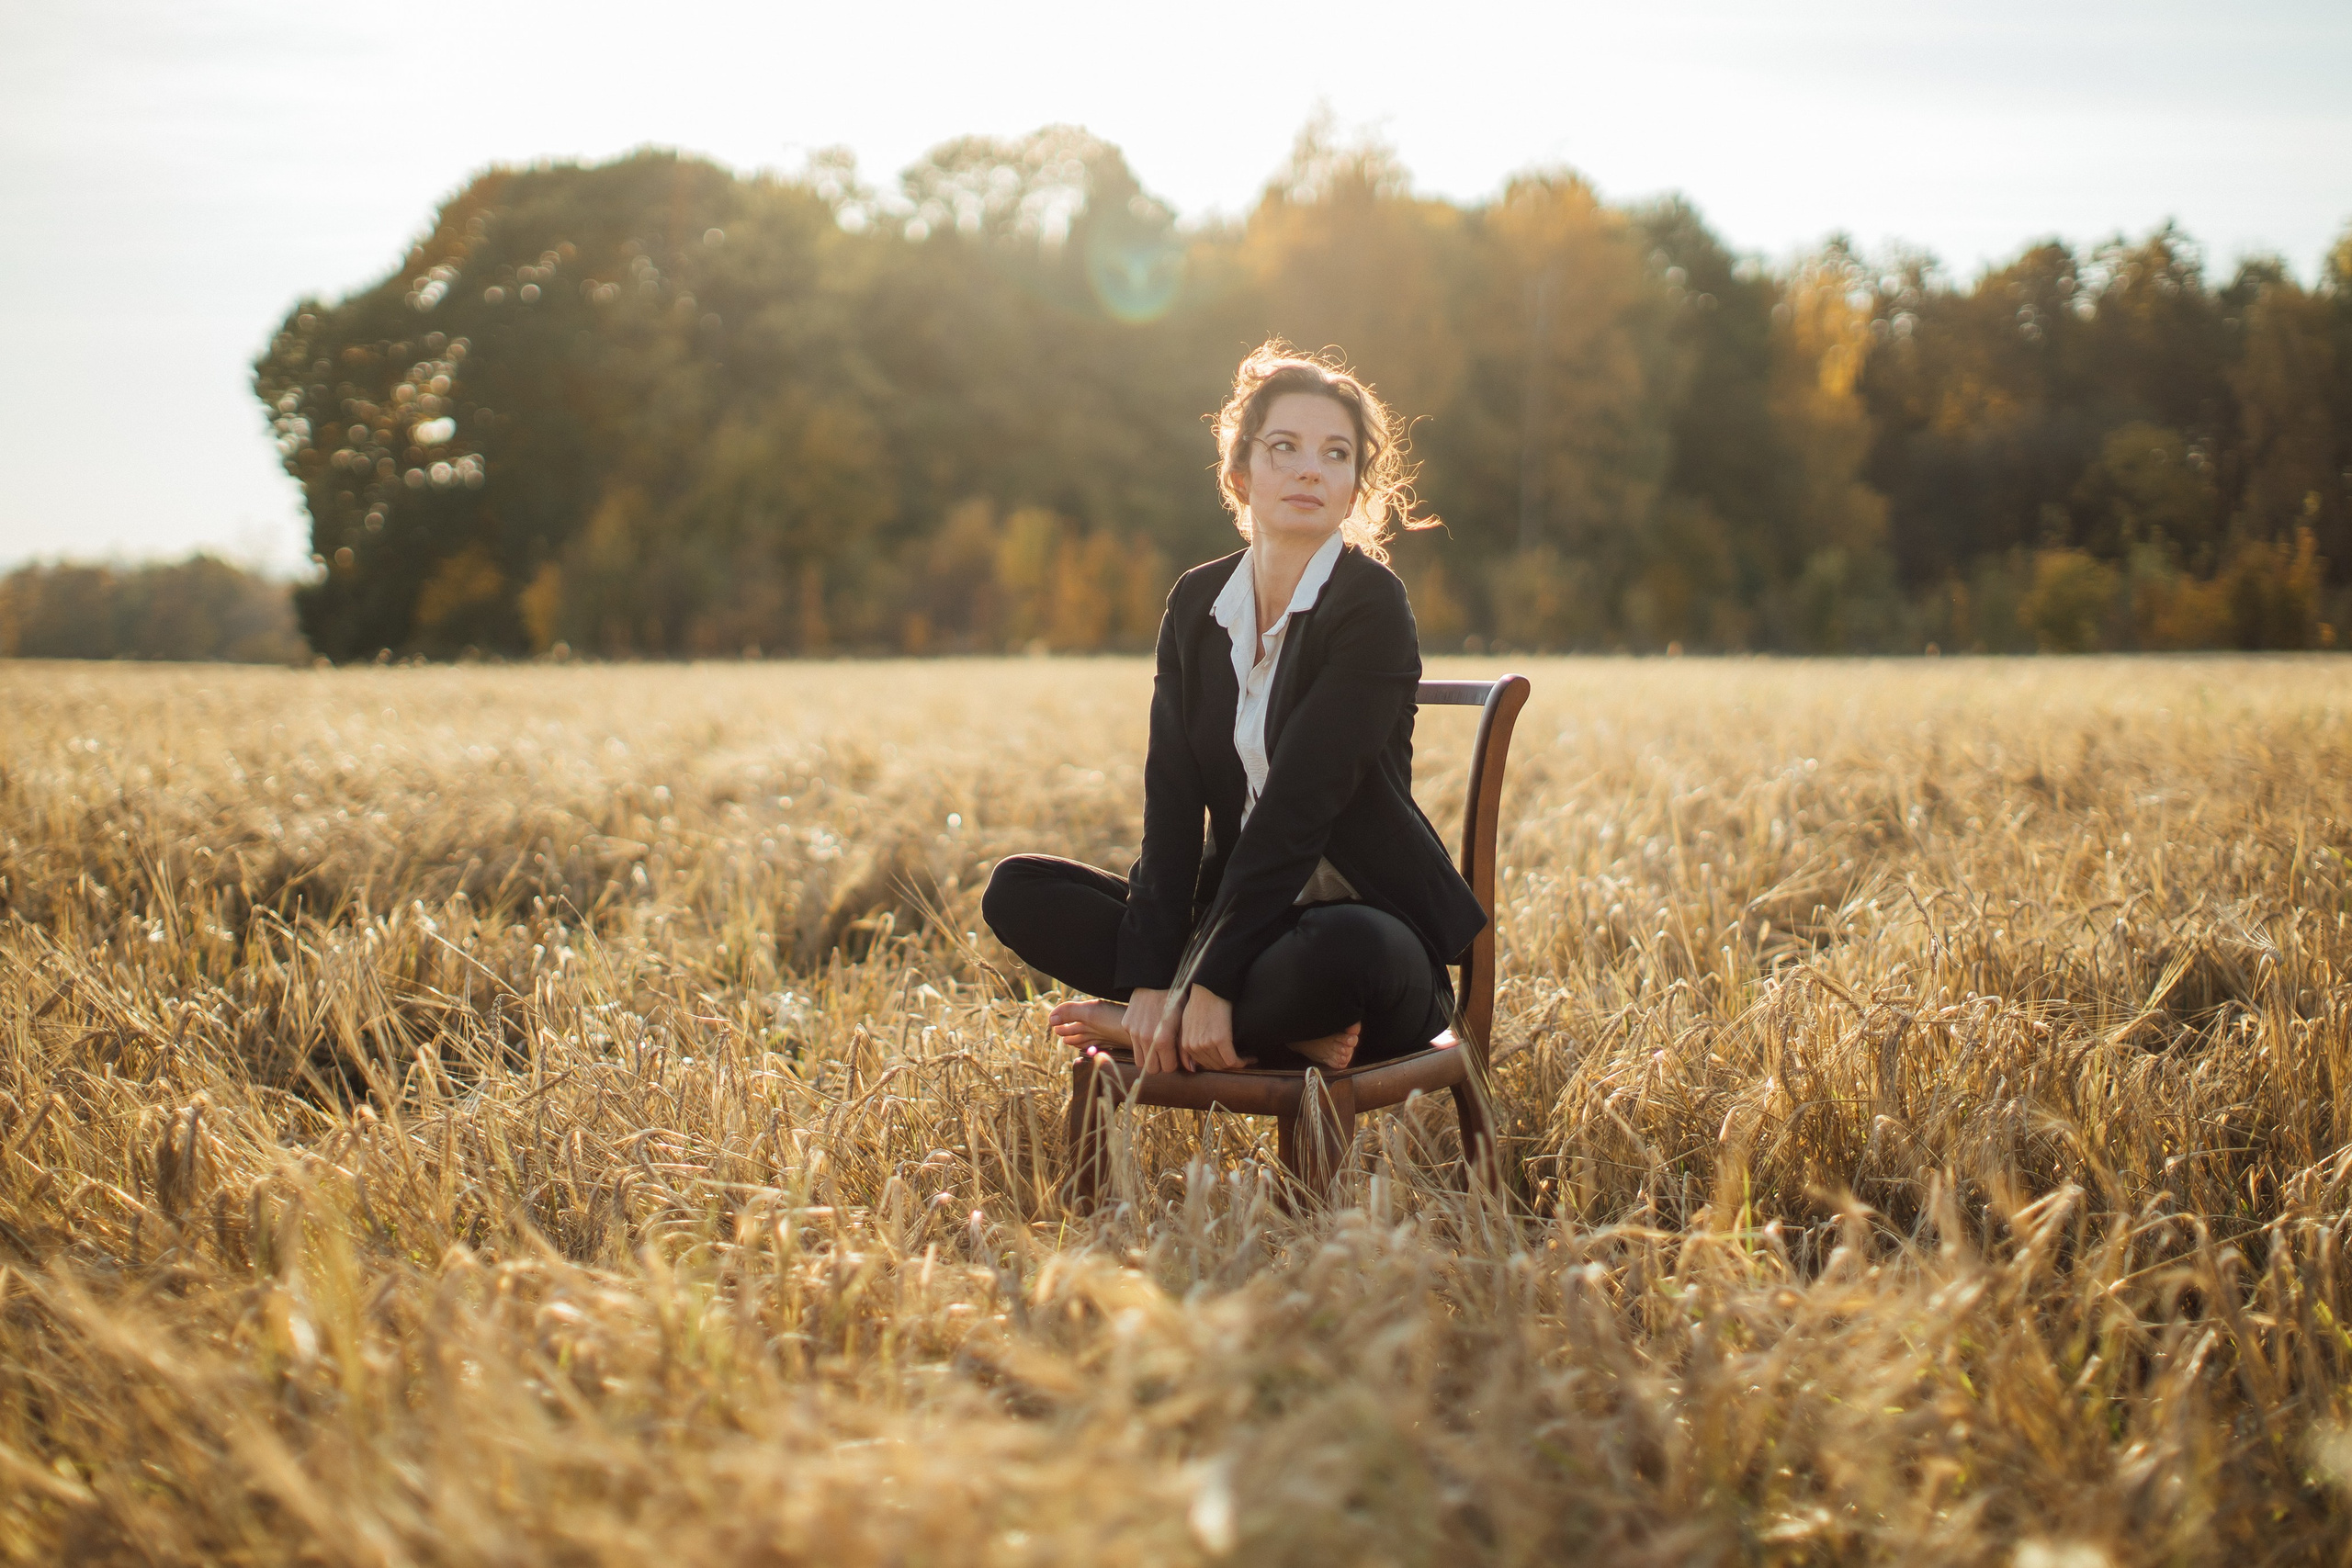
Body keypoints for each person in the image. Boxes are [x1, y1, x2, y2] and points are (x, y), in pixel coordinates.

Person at [982, 342, 1487, 1077]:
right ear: (1241, 472)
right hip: (1242, 932)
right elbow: (1174, 803)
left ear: (1353, 488)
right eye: (1285, 447)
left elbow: (1299, 805)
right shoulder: (1196, 604)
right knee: (1018, 890)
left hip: (1366, 936)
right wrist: (1158, 974)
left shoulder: (1372, 605)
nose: (1311, 468)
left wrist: (1209, 979)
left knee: (1345, 950)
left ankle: (1171, 1025)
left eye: (1336, 454)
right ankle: (1262, 1031)